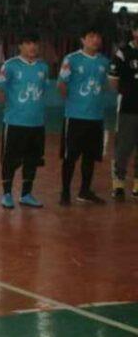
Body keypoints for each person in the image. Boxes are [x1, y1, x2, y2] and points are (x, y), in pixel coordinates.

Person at [0, 31, 48, 210]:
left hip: (37, 123)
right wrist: (11, 108)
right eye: (28, 43)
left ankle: (26, 194)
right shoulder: (10, 65)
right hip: (15, 122)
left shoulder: (43, 67)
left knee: (32, 159)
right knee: (9, 159)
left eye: (35, 43)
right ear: (20, 46)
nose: (32, 47)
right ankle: (7, 193)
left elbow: (43, 91)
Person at [58, 25, 110, 205]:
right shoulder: (71, 59)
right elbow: (62, 84)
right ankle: (65, 192)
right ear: (83, 39)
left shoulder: (104, 62)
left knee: (90, 157)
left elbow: (104, 85)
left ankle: (85, 190)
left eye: (98, 36)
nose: (95, 40)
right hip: (75, 117)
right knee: (70, 157)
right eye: (91, 36)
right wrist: (74, 102)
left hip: (96, 117)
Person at [110, 23, 138, 199]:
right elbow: (113, 81)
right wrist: (127, 94)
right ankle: (118, 184)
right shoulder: (123, 53)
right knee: (123, 148)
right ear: (134, 32)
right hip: (128, 108)